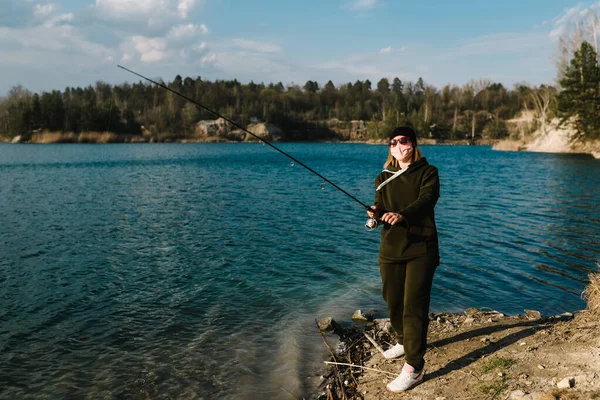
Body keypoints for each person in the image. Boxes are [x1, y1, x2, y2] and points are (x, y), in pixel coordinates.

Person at [367, 126, 440, 393]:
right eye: (393, 142)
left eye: (404, 140)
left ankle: (414, 366)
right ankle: (403, 341)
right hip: (391, 250)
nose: (398, 145)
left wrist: (401, 215)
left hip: (421, 249)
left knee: (414, 306)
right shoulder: (382, 177)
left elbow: (427, 201)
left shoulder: (428, 172)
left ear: (413, 144)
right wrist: (375, 213)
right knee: (393, 300)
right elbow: (379, 205)